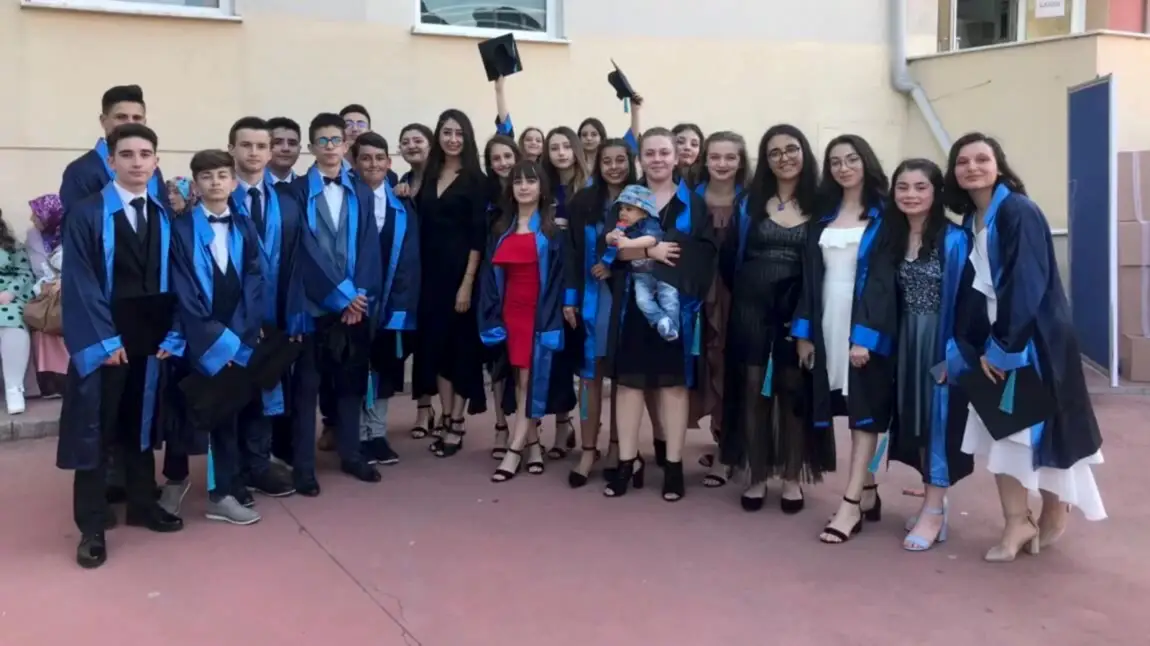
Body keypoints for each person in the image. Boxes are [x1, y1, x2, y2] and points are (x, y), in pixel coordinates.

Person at [944, 132, 1105, 561]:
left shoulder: (1018, 210)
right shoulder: (972, 219)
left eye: (982, 159)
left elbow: (1027, 282)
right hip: (995, 340)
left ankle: (1054, 511)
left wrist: (1004, 347)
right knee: (1003, 433)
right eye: (963, 161)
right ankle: (1016, 521)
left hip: (1031, 341)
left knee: (1038, 433)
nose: (972, 167)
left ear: (999, 165)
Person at [58, 123, 185, 569]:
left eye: (145, 154)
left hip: (151, 339)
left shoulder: (166, 214)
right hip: (106, 338)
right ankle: (92, 526)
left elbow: (182, 277)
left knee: (141, 424)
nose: (136, 162)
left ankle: (142, 504)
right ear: (110, 161)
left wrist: (175, 332)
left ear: (156, 161)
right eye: (126, 154)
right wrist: (103, 340)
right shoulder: (87, 213)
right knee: (96, 430)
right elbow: (79, 281)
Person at [284, 112, 383, 488]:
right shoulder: (295, 192)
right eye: (322, 141)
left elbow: (370, 247)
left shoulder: (360, 190)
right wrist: (341, 296)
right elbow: (304, 250)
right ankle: (304, 467)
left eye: (335, 140)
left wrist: (359, 296)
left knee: (350, 384)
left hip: (354, 308)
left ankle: (352, 454)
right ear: (311, 147)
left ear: (346, 145)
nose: (329, 147)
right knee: (307, 388)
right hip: (313, 306)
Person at [880, 158, 975, 551]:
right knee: (916, 420)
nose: (911, 195)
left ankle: (934, 510)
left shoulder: (955, 239)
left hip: (941, 342)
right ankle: (935, 503)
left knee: (939, 421)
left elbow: (970, 303)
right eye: (903, 187)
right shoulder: (892, 236)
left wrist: (956, 356)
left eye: (921, 187)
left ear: (936, 192)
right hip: (906, 341)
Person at [170, 149, 265, 525]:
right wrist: (215, 340)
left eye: (222, 175)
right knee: (195, 411)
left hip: (238, 334)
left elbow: (255, 278)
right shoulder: (180, 229)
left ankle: (225, 488)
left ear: (234, 182)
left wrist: (238, 336)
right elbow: (182, 287)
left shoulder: (244, 225)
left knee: (229, 410)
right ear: (195, 184)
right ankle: (184, 487)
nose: (215, 182)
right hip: (199, 335)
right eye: (207, 176)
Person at [480, 160, 578, 482]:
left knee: (528, 381)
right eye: (518, 181)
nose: (524, 187)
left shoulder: (552, 231)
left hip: (540, 313)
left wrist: (563, 308)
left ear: (542, 188)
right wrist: (491, 316)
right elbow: (490, 278)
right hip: (510, 313)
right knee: (519, 380)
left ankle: (514, 448)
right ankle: (534, 446)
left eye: (531, 181)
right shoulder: (500, 228)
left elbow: (563, 275)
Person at [352, 131, 420, 466]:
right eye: (366, 158)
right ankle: (355, 434)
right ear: (355, 162)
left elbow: (410, 258)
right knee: (353, 368)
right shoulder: (347, 199)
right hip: (353, 302)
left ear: (389, 162)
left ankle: (377, 433)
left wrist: (401, 306)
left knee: (383, 368)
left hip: (389, 301)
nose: (373, 164)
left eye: (379, 158)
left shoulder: (401, 204)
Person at [59, 84, 165, 211]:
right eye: (121, 117)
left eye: (137, 118)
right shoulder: (80, 171)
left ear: (144, 122)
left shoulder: (151, 168)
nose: (130, 124)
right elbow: (76, 221)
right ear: (103, 121)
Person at [603, 185, 680, 341]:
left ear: (644, 212)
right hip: (640, 274)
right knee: (642, 300)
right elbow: (610, 240)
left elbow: (651, 240)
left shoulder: (649, 224)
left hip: (660, 272)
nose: (623, 213)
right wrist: (610, 237)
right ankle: (660, 320)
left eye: (629, 209)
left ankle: (673, 325)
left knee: (669, 297)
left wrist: (628, 243)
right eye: (621, 209)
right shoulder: (623, 227)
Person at [25, 194, 68, 399]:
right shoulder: (33, 236)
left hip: (71, 287)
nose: (32, 219)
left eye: (37, 215)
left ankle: (68, 377)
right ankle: (50, 381)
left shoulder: (72, 233)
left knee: (63, 315)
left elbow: (84, 265)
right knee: (41, 320)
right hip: (44, 290)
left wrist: (64, 281)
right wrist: (47, 284)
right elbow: (36, 269)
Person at [0, 208, 35, 414]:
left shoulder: (12, 246)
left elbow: (25, 274)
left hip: (7, 297)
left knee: (11, 320)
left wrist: (10, 292)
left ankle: (14, 388)